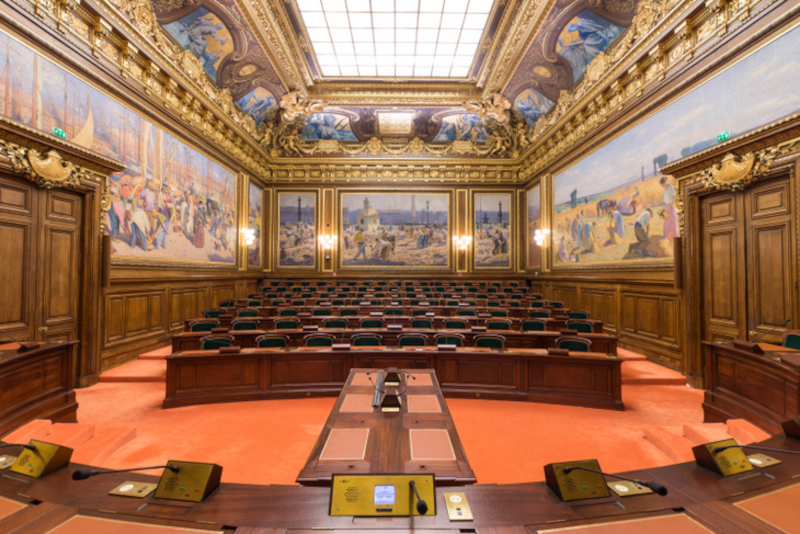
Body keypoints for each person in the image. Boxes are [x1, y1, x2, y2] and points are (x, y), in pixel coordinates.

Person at [660, 176, 679, 242]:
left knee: (672, 221)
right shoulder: (664, 189)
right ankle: (667, 236)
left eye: (663, 184)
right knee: (667, 222)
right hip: (667, 206)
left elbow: (674, 198)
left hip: (671, 206)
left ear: (665, 182)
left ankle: (673, 236)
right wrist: (665, 207)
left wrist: (669, 206)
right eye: (661, 185)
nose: (662, 185)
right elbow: (665, 199)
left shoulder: (670, 187)